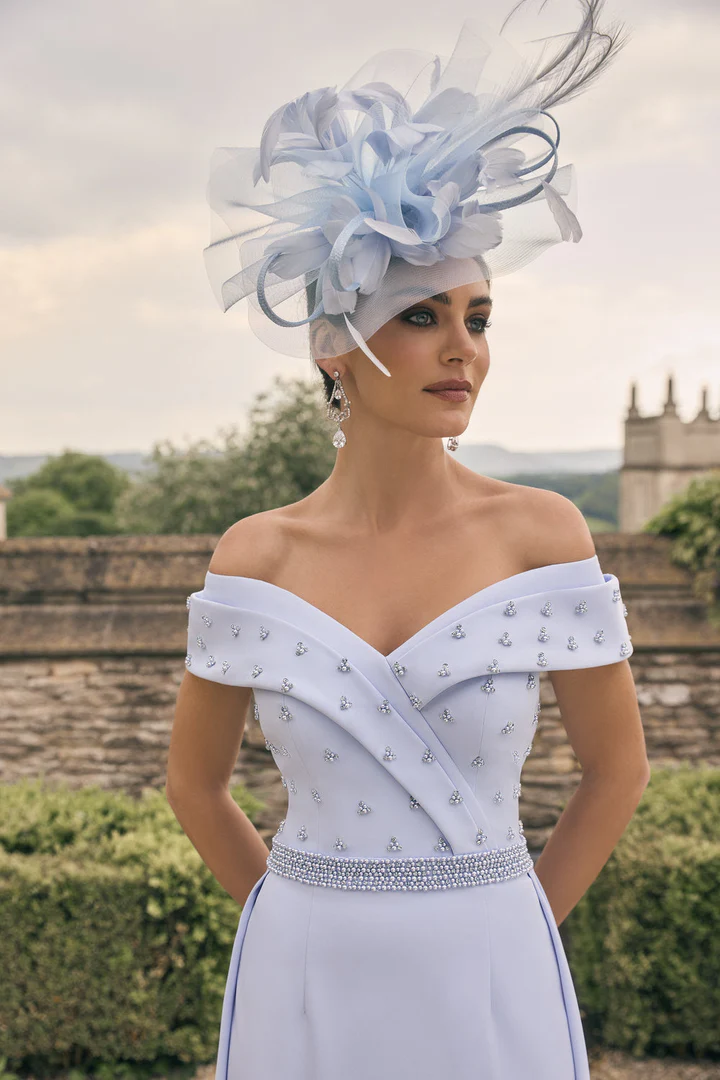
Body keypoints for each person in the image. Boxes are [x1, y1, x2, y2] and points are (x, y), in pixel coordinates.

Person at [167, 3, 650, 1077]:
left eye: (479, 317)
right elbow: (194, 786)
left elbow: (618, 773)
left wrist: (511, 927)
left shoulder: (542, 535)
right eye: (423, 315)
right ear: (333, 345)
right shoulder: (255, 559)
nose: (462, 348)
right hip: (302, 981)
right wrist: (292, 921)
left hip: (494, 975)